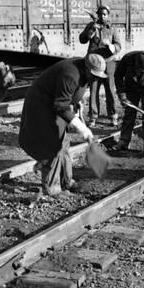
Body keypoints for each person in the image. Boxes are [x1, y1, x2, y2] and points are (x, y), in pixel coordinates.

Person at [19, 54, 107, 195]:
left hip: (56, 103)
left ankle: (66, 181)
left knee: (64, 142)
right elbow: (60, 105)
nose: (96, 79)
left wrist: (77, 105)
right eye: (94, 75)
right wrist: (80, 126)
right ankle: (52, 188)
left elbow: (69, 95)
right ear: (87, 69)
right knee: (52, 144)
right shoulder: (70, 75)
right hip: (42, 105)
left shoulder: (83, 71)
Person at [79, 5, 122, 128]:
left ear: (107, 15)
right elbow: (82, 39)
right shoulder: (92, 25)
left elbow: (119, 45)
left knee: (110, 90)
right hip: (94, 63)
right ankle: (93, 117)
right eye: (100, 14)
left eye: (105, 14)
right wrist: (91, 30)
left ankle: (113, 116)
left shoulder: (112, 29)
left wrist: (113, 47)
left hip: (108, 62)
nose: (102, 16)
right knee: (94, 90)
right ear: (97, 15)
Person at [114, 50, 144, 152]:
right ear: (137, 65)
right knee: (129, 113)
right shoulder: (127, 59)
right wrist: (122, 95)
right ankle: (124, 141)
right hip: (131, 87)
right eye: (142, 70)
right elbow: (118, 76)